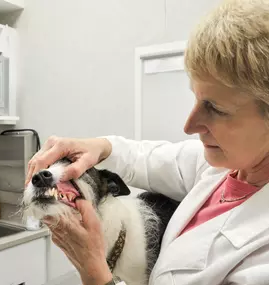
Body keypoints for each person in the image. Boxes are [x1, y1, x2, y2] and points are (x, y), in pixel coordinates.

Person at [25, 0, 269, 284]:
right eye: (196, 98)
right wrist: (99, 146)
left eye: (216, 108)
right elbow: (145, 158)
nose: (189, 126)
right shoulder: (223, 166)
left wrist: (94, 272)